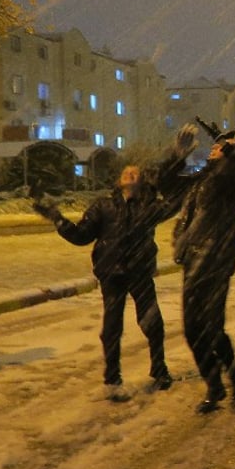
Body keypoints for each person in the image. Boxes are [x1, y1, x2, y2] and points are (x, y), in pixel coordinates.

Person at [33, 161, 182, 401]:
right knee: (112, 327)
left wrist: (173, 165)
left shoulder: (149, 205)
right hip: (111, 273)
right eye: (126, 172)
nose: (130, 174)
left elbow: (175, 203)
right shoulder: (103, 206)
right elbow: (82, 236)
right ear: (118, 180)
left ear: (142, 180)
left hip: (140, 271)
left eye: (136, 172)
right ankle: (112, 378)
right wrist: (57, 219)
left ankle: (159, 369)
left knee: (152, 322)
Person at [166, 123, 235, 414]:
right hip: (192, 260)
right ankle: (214, 384)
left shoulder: (232, 178)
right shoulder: (202, 177)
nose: (214, 147)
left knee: (213, 328)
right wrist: (176, 156)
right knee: (192, 330)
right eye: (215, 145)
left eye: (221, 146)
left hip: (216, 260)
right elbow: (166, 186)